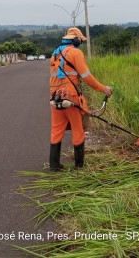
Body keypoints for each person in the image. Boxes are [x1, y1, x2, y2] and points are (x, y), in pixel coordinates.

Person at [49, 27, 113, 171]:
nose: (80, 43)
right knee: (78, 129)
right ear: (76, 40)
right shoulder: (75, 53)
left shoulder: (55, 53)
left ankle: (54, 165)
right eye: (80, 41)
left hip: (55, 97)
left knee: (56, 129)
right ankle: (79, 166)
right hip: (70, 96)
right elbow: (86, 77)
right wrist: (103, 88)